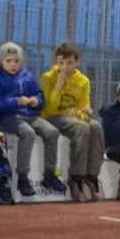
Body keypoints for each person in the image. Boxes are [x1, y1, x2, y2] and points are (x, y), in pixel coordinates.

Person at [0, 42, 67, 197]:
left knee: (52, 132)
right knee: (27, 133)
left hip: (30, 114)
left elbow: (40, 96)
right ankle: (23, 177)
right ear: (1, 61)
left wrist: (37, 101)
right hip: (7, 117)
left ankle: (49, 175)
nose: (13, 65)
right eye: (8, 61)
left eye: (16, 61)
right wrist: (15, 101)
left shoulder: (27, 75)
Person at [40, 42, 105, 202]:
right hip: (52, 117)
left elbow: (85, 107)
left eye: (69, 63)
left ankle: (92, 176)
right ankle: (76, 177)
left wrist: (81, 114)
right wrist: (59, 85)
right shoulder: (48, 77)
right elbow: (50, 107)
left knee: (95, 126)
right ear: (55, 63)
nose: (65, 67)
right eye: (60, 63)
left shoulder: (83, 81)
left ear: (77, 62)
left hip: (74, 118)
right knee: (82, 127)